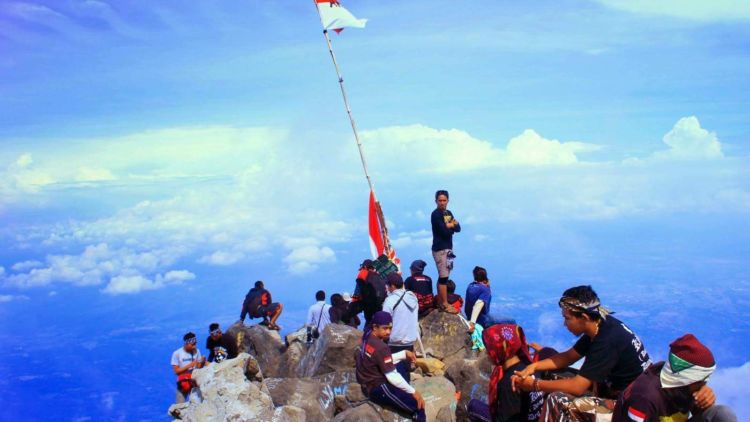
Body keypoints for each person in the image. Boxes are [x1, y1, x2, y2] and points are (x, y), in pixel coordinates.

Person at [512, 285, 651, 422]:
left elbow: (578, 387)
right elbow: (568, 357)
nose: (564, 324)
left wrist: (534, 384)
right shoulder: (600, 325)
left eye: (567, 318)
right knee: (556, 376)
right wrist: (534, 366)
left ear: (584, 317)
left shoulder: (606, 340)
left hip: (628, 407)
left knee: (557, 400)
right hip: (618, 391)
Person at [613, 334, 737, 422]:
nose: (704, 383)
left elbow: (700, 414)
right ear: (687, 379)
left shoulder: (682, 387)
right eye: (702, 380)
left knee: (722, 414)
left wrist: (704, 403)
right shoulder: (644, 398)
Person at [356, 311, 426, 422]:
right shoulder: (381, 346)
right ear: (375, 327)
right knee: (419, 405)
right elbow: (392, 376)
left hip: (366, 381)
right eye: (385, 328)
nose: (388, 332)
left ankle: (403, 390)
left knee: (400, 364)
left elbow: (380, 359)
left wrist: (403, 354)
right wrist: (413, 392)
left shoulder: (367, 336)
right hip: (376, 387)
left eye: (390, 328)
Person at [467, 323, 546, 422]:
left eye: (490, 349)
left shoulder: (508, 383)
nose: (487, 353)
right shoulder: (530, 365)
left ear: (499, 350)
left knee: (472, 406)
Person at [382, 272, 420, 382]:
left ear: (392, 285)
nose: (387, 288)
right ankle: (407, 393)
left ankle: (398, 396)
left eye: (388, 285)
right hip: (410, 341)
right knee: (406, 372)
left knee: (394, 374)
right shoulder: (413, 298)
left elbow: (385, 321)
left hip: (394, 341)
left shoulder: (390, 300)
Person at [431, 189, 461, 313]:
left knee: (445, 275)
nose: (442, 203)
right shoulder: (436, 214)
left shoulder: (448, 213)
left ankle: (441, 302)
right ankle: (444, 303)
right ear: (436, 201)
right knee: (443, 277)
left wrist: (451, 226)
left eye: (444, 200)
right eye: (440, 200)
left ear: (448, 201)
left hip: (448, 249)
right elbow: (443, 232)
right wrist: (450, 226)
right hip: (440, 249)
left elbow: (458, 228)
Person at [346, 259, 386, 328]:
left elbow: (357, 295)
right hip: (380, 308)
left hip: (368, 309)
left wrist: (351, 310)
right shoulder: (379, 276)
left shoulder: (363, 274)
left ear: (364, 267)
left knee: (368, 327)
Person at [171, 332, 206, 404]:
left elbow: (199, 368)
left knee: (196, 404)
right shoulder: (177, 353)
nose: (195, 346)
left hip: (193, 382)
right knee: (180, 405)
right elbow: (176, 371)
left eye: (195, 344)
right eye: (193, 344)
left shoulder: (197, 351)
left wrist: (202, 362)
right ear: (187, 343)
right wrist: (189, 366)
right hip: (183, 383)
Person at [465, 266, 492, 333]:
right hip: (481, 319)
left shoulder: (470, 286)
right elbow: (478, 305)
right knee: (510, 321)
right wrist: (472, 322)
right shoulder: (485, 289)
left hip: (468, 315)